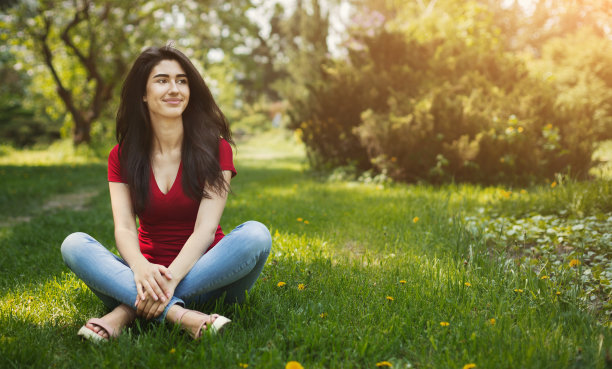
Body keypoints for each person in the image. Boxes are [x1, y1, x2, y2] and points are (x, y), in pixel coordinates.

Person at [60, 45, 272, 342]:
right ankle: (180, 316)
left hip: (211, 275)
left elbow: (206, 230)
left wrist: (167, 282)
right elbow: (123, 227)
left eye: (182, 80)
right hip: (143, 273)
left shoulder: (216, 149)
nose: (174, 89)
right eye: (162, 80)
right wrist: (140, 267)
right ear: (143, 94)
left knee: (256, 235)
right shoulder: (121, 156)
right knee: (74, 244)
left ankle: (125, 311)